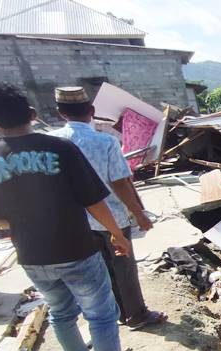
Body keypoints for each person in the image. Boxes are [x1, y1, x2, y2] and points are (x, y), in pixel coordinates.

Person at [0, 81, 158, 351]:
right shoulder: (59, 149)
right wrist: (118, 234)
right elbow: (93, 200)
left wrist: (22, 218)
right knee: (101, 313)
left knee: (61, 312)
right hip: (76, 249)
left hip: (30, 255)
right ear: (32, 113)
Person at [49, 86, 166, 329]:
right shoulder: (105, 141)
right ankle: (136, 314)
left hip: (76, 222)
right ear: (91, 111)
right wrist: (139, 214)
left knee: (97, 271)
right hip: (112, 218)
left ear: (61, 113)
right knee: (123, 268)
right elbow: (120, 183)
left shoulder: (53, 142)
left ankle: (114, 314)